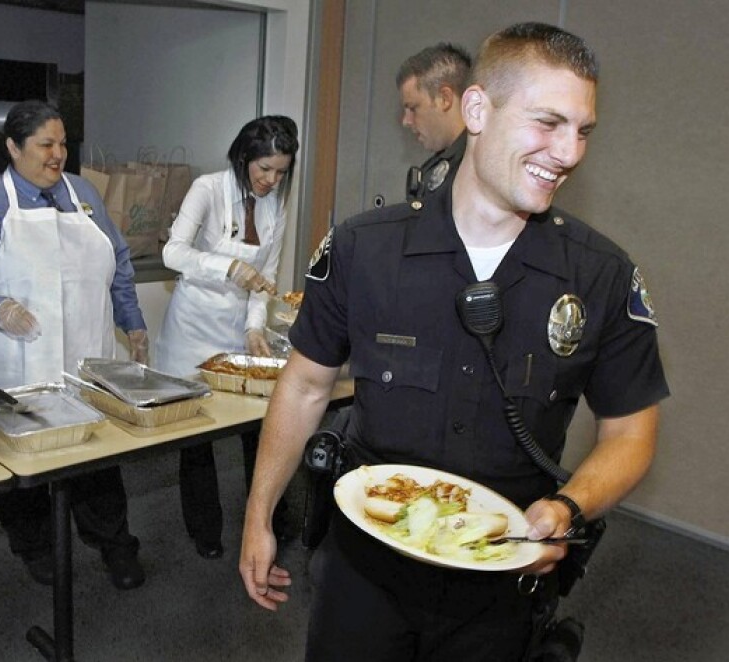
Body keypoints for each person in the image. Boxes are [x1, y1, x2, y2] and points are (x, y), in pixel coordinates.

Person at [240, 22, 669, 661]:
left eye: (582, 131)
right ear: (476, 109)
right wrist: (259, 513)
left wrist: (569, 506)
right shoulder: (362, 249)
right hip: (365, 566)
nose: (570, 152)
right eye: (548, 123)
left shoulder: (601, 275)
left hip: (502, 580)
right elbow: (304, 385)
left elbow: (631, 433)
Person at [0, 100, 148, 590]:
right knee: (25, 459)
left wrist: (132, 323)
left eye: (63, 144)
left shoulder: (84, 194)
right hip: (19, 362)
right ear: (13, 147)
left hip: (83, 358)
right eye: (45, 145)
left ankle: (115, 544)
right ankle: (34, 547)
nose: (57, 155)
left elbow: (117, 262)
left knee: (97, 460)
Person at [154, 116, 299, 560]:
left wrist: (255, 326)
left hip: (237, 328)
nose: (272, 180)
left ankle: (267, 518)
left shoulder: (276, 205)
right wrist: (228, 267)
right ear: (243, 158)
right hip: (193, 326)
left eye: (280, 171)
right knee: (196, 435)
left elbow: (267, 276)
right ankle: (206, 530)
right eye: (264, 170)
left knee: (258, 427)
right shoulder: (208, 188)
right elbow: (172, 251)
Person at [396, 42, 472, 198]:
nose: (406, 121)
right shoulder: (436, 166)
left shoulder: (479, 166)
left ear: (445, 99)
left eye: (413, 108)